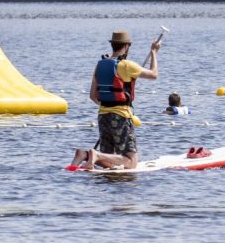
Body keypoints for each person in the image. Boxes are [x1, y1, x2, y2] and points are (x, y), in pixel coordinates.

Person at [69, 31, 160, 170]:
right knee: (131, 162)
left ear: (112, 45)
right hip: (121, 116)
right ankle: (96, 155)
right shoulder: (127, 65)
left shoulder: (100, 65)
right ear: (127, 46)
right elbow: (154, 75)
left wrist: (108, 105)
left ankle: (85, 155)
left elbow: (92, 96)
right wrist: (154, 52)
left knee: (110, 163)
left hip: (103, 116)